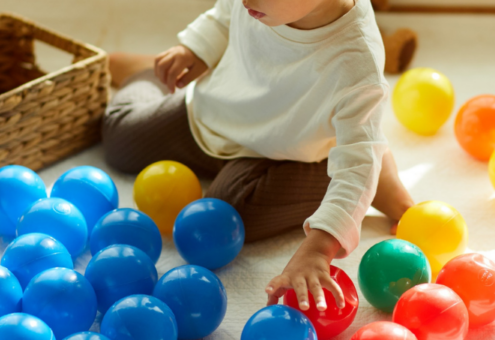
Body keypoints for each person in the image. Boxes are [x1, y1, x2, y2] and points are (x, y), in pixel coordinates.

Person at [102, 0, 415, 312]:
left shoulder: (357, 63)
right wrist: (196, 49)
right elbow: (223, 16)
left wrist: (319, 248)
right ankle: (150, 72)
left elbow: (355, 166)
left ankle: (376, 170)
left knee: (224, 221)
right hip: (218, 111)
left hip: (290, 154)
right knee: (120, 139)